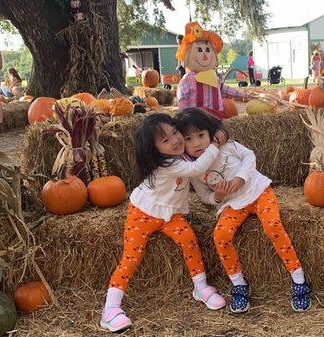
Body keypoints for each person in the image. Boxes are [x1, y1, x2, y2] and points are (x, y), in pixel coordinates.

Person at [100, 113, 227, 333]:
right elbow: (195, 170)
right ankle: (110, 309)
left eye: (175, 132)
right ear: (154, 150)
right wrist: (215, 144)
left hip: (171, 214)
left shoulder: (182, 156)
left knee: (189, 240)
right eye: (166, 140)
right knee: (131, 257)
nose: (176, 140)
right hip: (144, 213)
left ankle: (200, 286)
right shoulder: (168, 164)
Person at [176, 108, 311, 314]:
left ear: (210, 134)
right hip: (232, 204)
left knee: (272, 225)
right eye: (189, 139)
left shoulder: (226, 146)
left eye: (201, 136)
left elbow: (249, 156)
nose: (196, 143)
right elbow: (205, 196)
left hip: (257, 191)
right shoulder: (194, 170)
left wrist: (241, 179)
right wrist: (218, 197)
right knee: (220, 235)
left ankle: (298, 278)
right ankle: (239, 283)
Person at [176, 22, 250, 119]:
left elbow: (224, 89)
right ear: (186, 57)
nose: (205, 55)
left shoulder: (213, 77)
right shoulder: (189, 79)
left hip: (217, 117)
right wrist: (183, 117)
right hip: (197, 119)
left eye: (207, 50)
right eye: (199, 50)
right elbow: (183, 98)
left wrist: (242, 95)